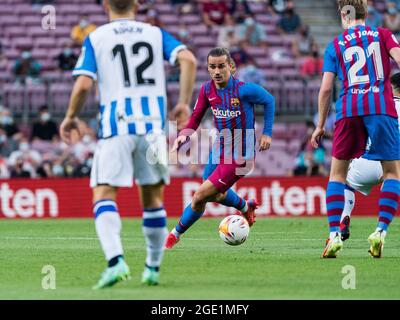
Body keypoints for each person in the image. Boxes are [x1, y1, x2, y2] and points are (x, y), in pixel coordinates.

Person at [59, 0, 196, 288]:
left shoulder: (96, 37)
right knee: (153, 199)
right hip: (153, 129)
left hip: (116, 127)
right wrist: (183, 103)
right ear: (136, 4)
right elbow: (189, 60)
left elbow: (84, 84)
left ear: (106, 4)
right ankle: (153, 269)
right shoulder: (155, 33)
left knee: (104, 193)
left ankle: (116, 261)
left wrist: (71, 116)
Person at [311, 0, 400, 259]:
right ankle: (380, 232)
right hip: (381, 108)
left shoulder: (335, 44)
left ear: (343, 14)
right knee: (392, 173)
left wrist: (319, 125)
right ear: (366, 12)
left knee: (337, 176)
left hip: (349, 109)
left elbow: (326, 88)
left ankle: (334, 236)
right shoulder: (383, 35)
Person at [165, 47, 275, 249]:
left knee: (200, 195)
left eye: (221, 66)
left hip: (241, 153)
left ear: (230, 67)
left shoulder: (244, 89)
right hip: (220, 147)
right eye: (212, 66)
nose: (217, 71)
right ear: (207, 69)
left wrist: (267, 132)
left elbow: (269, 100)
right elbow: (195, 118)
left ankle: (173, 236)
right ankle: (245, 205)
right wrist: (182, 136)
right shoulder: (207, 90)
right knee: (210, 196)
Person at [338, 72, 400, 242]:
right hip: (396, 164)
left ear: (392, 88)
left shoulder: (379, 105)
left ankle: (343, 220)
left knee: (346, 183)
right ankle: (380, 230)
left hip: (371, 160)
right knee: (392, 183)